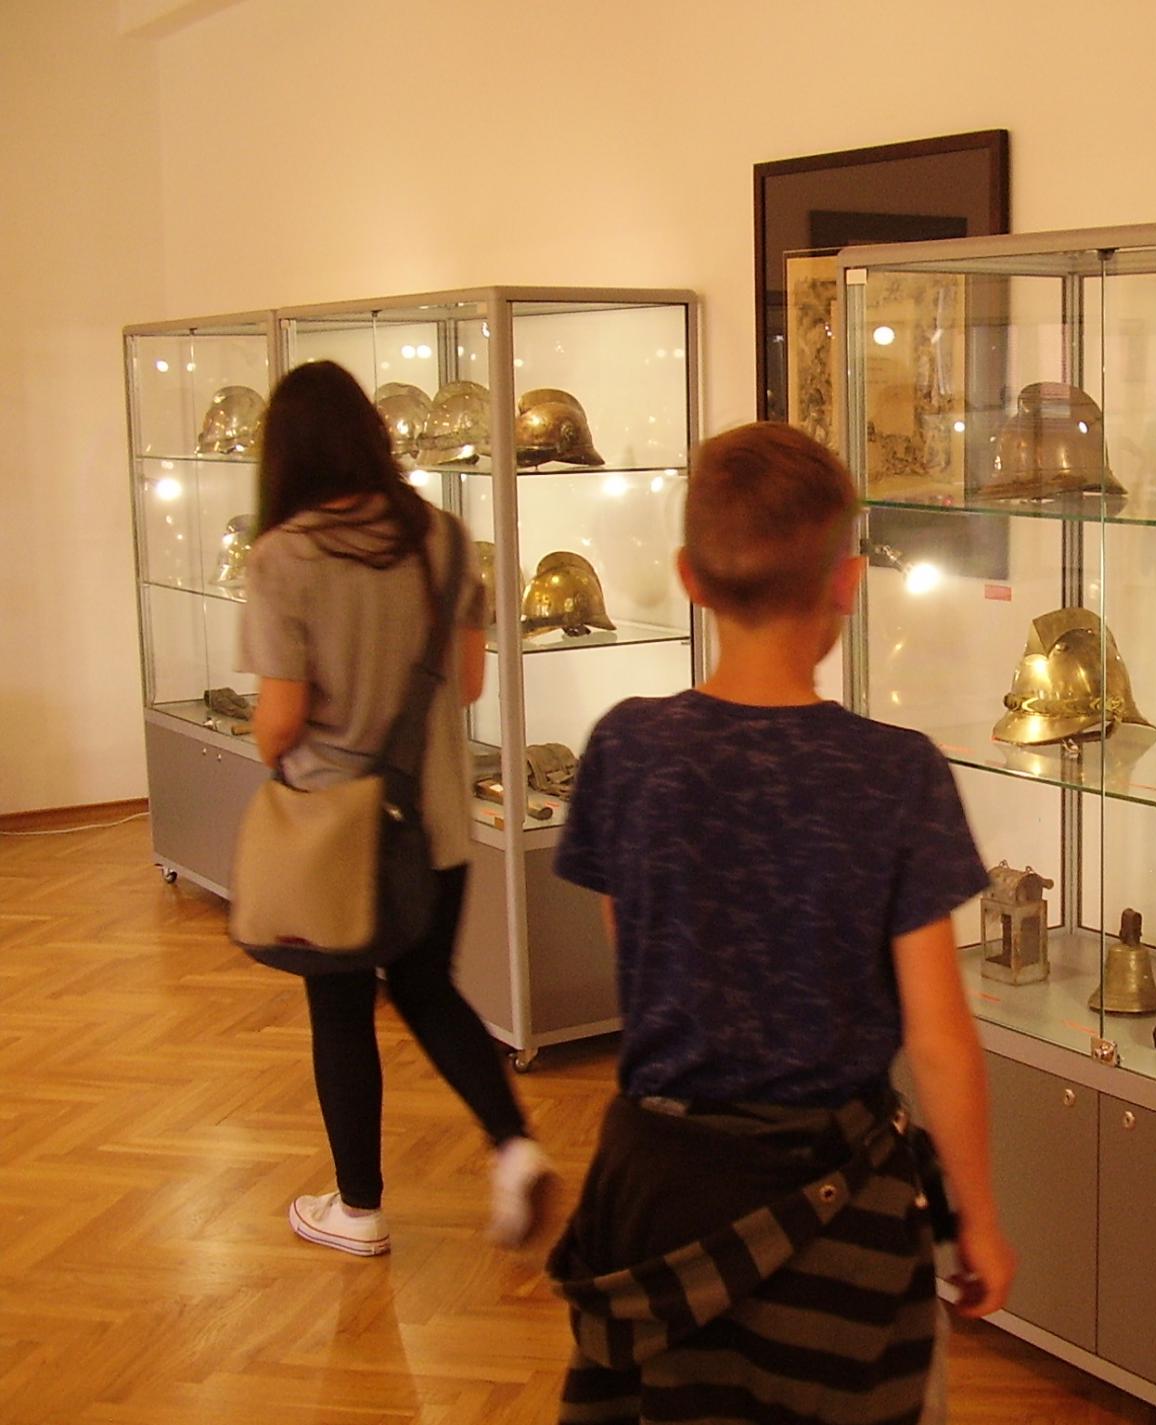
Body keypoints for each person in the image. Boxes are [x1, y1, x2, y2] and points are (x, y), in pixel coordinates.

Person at [546, 422, 1014, 1424]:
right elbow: (938, 1035)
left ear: (689, 577)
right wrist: (977, 1216)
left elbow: (636, 955)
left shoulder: (626, 747)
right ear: (846, 583)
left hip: (656, 1190)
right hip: (832, 1202)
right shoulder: (895, 772)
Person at [238, 360, 550, 1257]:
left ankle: (359, 1207)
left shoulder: (283, 557)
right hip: (435, 817)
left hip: (332, 832)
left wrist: (285, 740)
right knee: (424, 986)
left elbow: (280, 722)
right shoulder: (442, 537)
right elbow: (470, 681)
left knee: (339, 1008)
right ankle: (515, 1144)